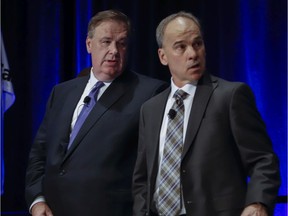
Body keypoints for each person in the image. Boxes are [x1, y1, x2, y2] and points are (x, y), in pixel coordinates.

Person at [132, 11, 281, 216]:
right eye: (181, 47)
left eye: (197, 44)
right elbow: (142, 178)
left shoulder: (230, 96)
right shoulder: (150, 109)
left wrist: (258, 204)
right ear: (163, 56)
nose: (192, 54)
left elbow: (263, 160)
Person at [25, 9, 168, 216]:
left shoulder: (150, 92)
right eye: (106, 41)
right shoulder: (62, 92)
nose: (114, 50)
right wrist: (37, 200)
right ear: (89, 44)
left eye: (122, 43)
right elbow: (39, 152)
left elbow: (154, 167)